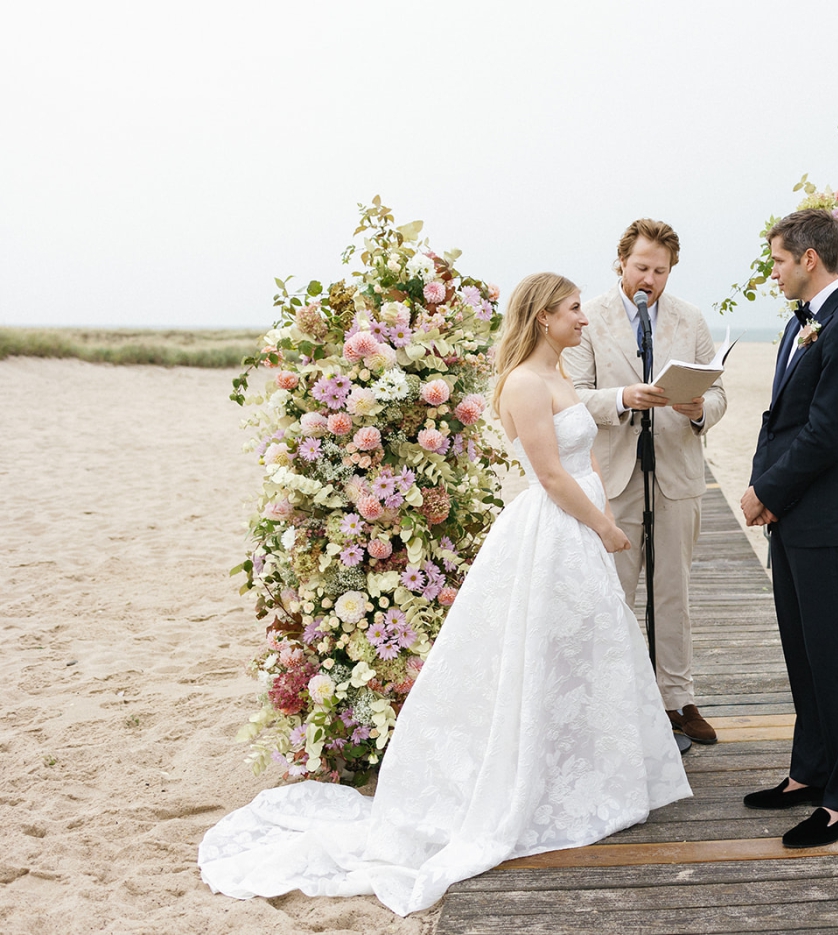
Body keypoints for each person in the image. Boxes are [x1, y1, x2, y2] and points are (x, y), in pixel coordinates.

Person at [198, 273, 691, 916]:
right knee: (539, 653)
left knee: (586, 653)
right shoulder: (522, 383)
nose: (584, 320)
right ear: (544, 317)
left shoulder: (563, 377)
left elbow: (584, 459)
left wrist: (601, 503)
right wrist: (602, 525)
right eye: (574, 310)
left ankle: (584, 776)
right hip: (557, 529)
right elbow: (546, 475)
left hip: (583, 526)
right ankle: (526, 786)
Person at [738, 209, 838, 848]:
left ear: (809, 260)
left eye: (777, 261)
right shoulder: (805, 324)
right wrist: (768, 494)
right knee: (802, 655)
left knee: (835, 660)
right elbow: (782, 421)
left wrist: (765, 491)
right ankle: (810, 772)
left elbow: (828, 433)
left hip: (824, 521)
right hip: (793, 516)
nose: (773, 271)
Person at [562, 219, 727, 745]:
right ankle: (608, 701)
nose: (649, 279)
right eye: (641, 267)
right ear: (622, 264)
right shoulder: (589, 319)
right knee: (613, 591)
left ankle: (678, 699)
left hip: (676, 472)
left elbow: (720, 394)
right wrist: (622, 399)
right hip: (614, 475)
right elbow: (572, 395)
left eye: (659, 270)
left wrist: (702, 409)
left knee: (673, 591)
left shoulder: (691, 319)